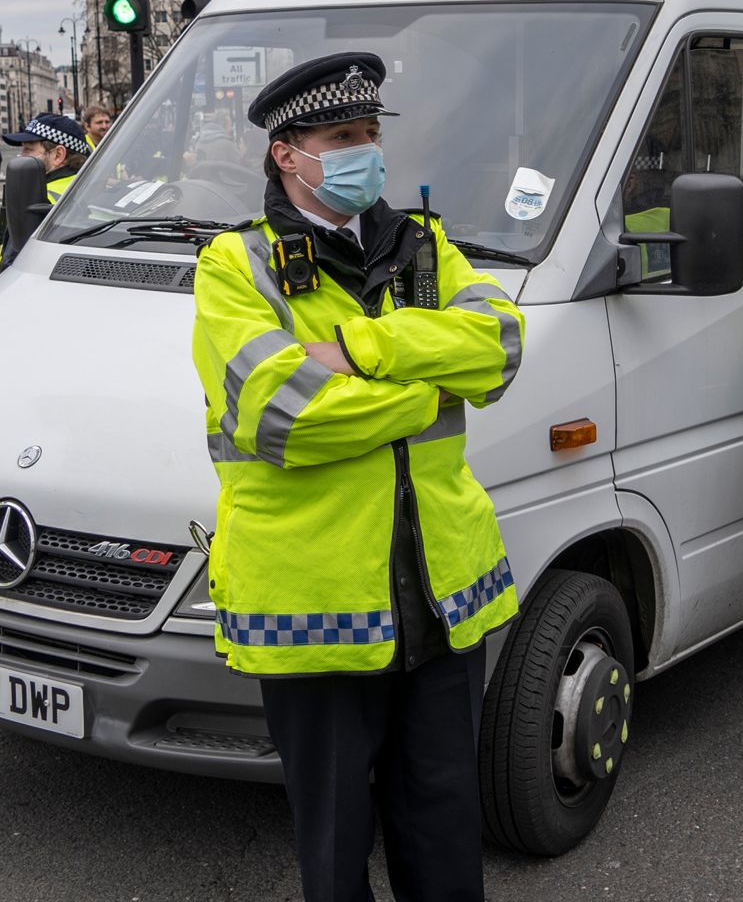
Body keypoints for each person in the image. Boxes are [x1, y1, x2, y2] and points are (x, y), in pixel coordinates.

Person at [191, 52, 524, 902]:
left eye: (372, 135)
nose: (364, 153)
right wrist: (425, 394)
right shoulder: (238, 265)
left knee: (445, 819)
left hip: (442, 592)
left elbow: (502, 344)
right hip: (318, 603)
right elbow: (283, 414)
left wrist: (370, 350)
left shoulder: (421, 245)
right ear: (287, 154)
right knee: (336, 840)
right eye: (343, 136)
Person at [0, 113, 90, 271]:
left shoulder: (40, 199)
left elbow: (12, 264)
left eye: (28, 150)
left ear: (58, 155)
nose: (20, 157)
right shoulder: (83, 186)